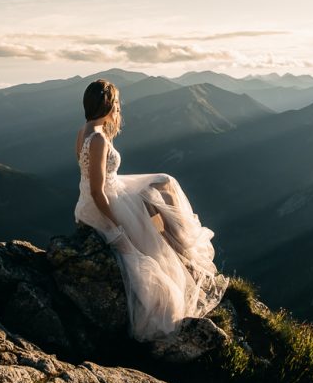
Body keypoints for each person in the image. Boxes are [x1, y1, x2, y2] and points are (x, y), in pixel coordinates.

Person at [73, 78, 228, 342]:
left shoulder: (85, 131)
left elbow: (90, 181)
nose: (119, 109)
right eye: (117, 104)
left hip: (101, 194)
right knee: (153, 205)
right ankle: (179, 246)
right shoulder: (98, 138)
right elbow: (98, 191)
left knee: (163, 183)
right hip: (103, 203)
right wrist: (116, 225)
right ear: (109, 105)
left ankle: (176, 242)